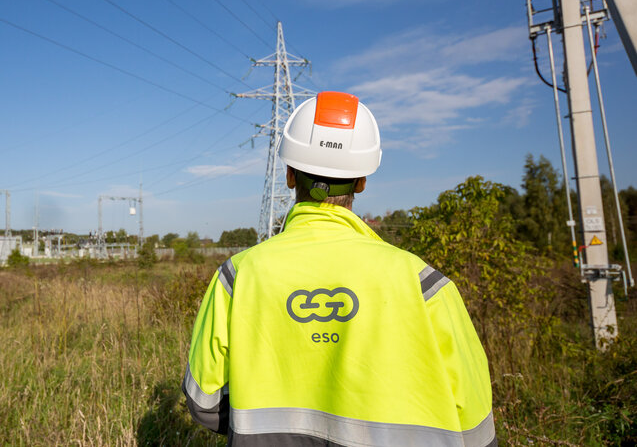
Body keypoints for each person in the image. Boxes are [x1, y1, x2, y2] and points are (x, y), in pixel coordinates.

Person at [181, 91, 495, 446]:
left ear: (288, 175)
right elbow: (476, 428)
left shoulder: (238, 277)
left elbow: (204, 404)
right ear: (362, 181)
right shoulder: (425, 284)